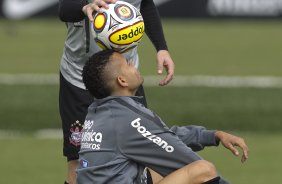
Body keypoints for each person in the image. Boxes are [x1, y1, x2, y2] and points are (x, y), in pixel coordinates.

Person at [78, 49, 249, 184]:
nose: (133, 64)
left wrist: (212, 135)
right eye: (128, 64)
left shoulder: (97, 112)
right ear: (122, 81)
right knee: (203, 170)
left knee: (154, 171)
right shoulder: (129, 119)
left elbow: (159, 136)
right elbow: (184, 159)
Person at [58, 0, 175, 183]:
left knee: (143, 160)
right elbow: (64, 9)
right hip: (79, 80)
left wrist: (161, 47)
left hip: (125, 81)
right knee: (79, 165)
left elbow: (145, 4)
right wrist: (85, 6)